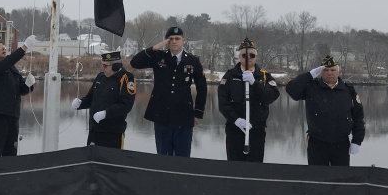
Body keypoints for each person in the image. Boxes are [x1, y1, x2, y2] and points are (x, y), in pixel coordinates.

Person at [129, 26, 208, 157]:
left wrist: (198, 113)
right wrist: (154, 48)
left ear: (183, 40)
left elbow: (202, 87)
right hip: (161, 114)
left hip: (184, 115)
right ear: (166, 41)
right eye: (170, 39)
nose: (174, 41)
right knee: (163, 156)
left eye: (177, 39)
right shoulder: (159, 56)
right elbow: (134, 63)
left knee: (182, 158)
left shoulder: (192, 60)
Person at [285, 55, 365, 166]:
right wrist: (309, 75)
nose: (329, 73)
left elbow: (358, 117)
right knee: (317, 179)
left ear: (338, 71)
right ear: (320, 72)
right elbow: (291, 90)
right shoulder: (311, 88)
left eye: (333, 70)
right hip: (317, 142)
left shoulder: (348, 91)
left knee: (341, 178)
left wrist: (357, 140)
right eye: (326, 70)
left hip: (341, 143)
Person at [217, 38, 280, 162]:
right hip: (235, 129)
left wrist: (254, 83)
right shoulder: (230, 76)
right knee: (235, 167)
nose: (248, 58)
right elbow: (223, 102)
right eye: (245, 55)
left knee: (254, 168)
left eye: (252, 55)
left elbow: (270, 97)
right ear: (239, 57)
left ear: (256, 57)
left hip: (256, 130)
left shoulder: (264, 76)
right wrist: (236, 120)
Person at [0, 34, 34, 157]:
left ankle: (9, 175)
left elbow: (22, 90)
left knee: (11, 151)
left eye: (4, 46)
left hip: (13, 115)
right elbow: (3, 64)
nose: (3, 48)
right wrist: (24, 48)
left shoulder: (11, 68)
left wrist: (29, 85)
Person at [72, 51, 136, 149]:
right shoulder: (100, 77)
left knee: (111, 162)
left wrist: (106, 113)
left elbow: (126, 105)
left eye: (105, 66)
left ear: (115, 66)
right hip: (95, 130)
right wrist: (80, 103)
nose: (103, 68)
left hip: (113, 132)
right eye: (102, 65)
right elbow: (90, 98)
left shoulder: (126, 78)